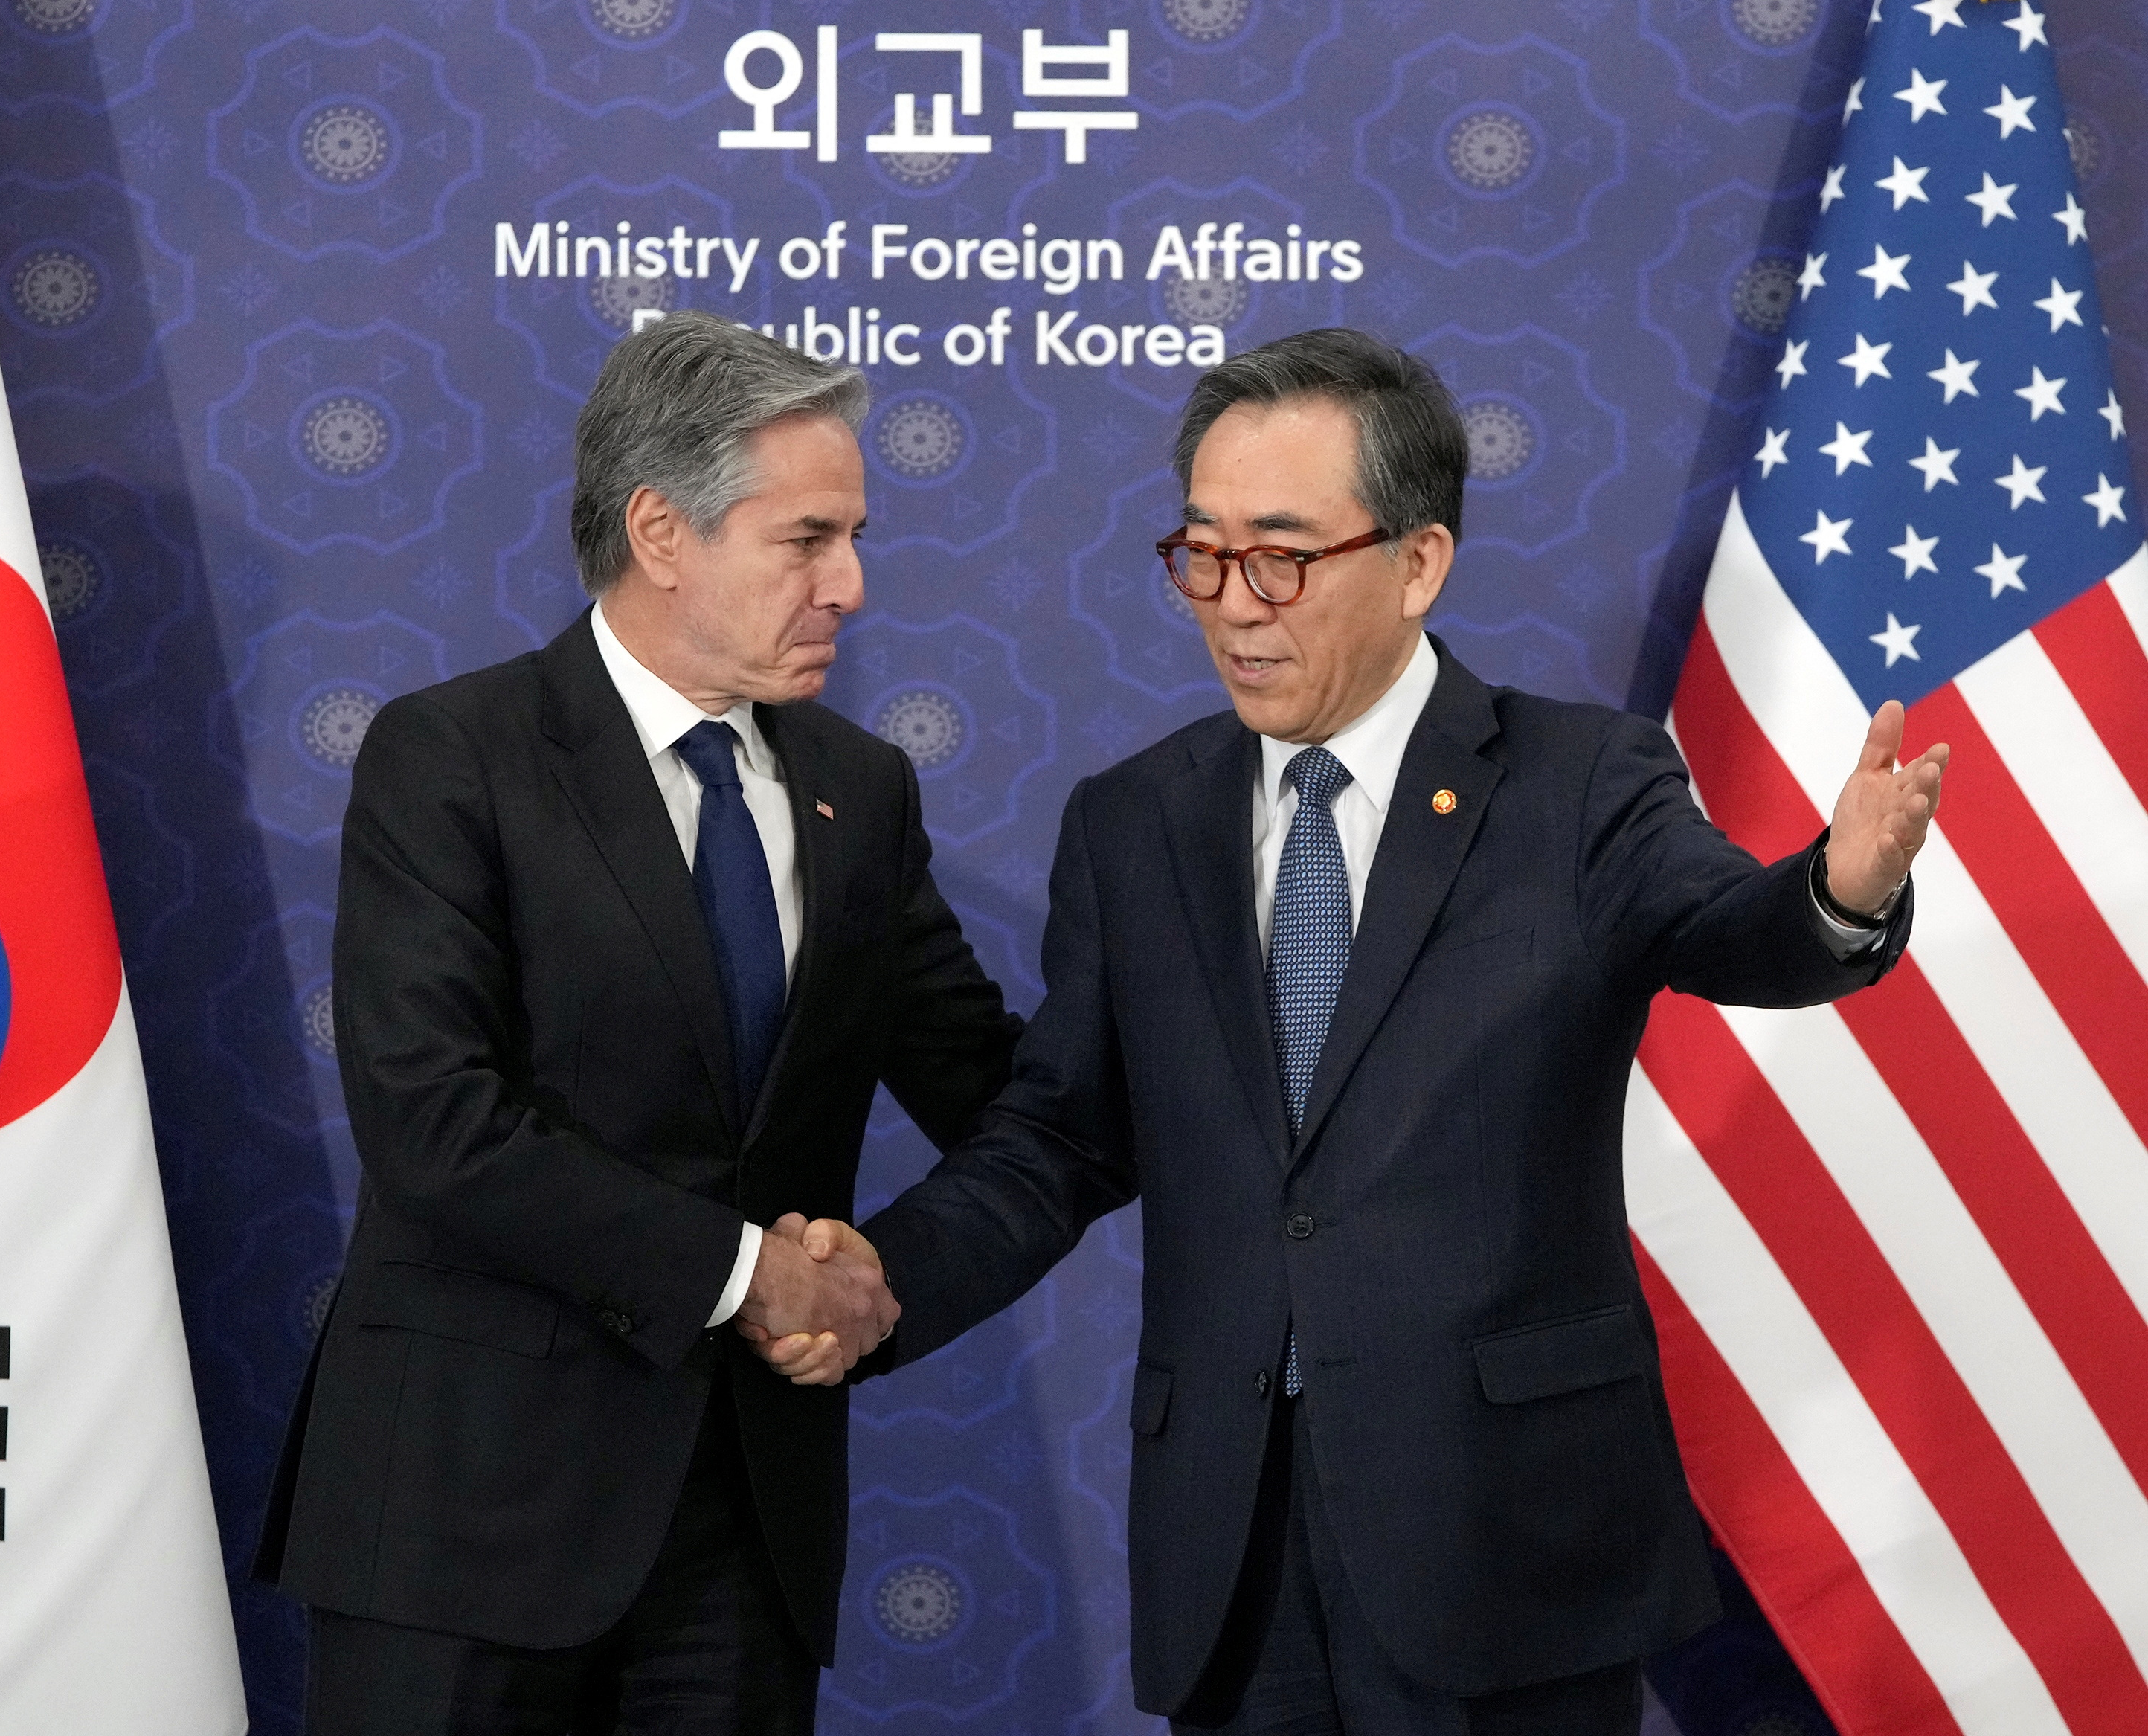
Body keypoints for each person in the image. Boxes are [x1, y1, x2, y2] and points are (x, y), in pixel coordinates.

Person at [756, 328, 1945, 1734]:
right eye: (1200, 554)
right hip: (1237, 1543)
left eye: (1281, 556)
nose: (1234, 605)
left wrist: (1841, 889)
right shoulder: (1135, 820)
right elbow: (1062, 1136)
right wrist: (887, 1274)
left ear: (1420, 561)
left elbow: (1734, 928)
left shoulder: (1576, 782)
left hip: (1506, 1537)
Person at [256, 310, 1022, 1735]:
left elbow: (999, 1093)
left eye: (851, 538)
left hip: (744, 1538)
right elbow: (437, 1126)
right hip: (464, 1522)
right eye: (807, 539)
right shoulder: (454, 757)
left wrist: (871, 1280)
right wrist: (751, 1273)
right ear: (662, 531)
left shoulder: (863, 790)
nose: (849, 584)